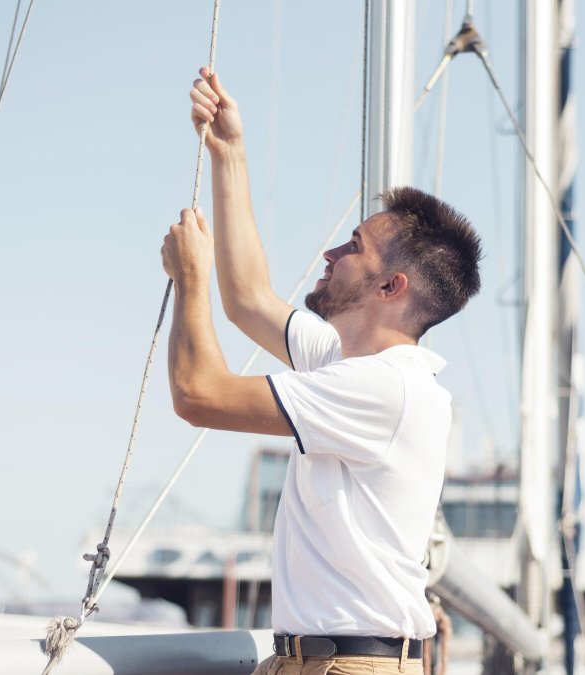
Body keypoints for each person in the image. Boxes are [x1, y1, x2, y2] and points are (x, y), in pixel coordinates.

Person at [160, 66, 482, 675]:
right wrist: (230, 152)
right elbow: (248, 298)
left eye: (353, 246)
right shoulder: (350, 364)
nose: (330, 253)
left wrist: (190, 278)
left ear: (390, 286)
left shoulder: (385, 388)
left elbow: (198, 395)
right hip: (320, 662)